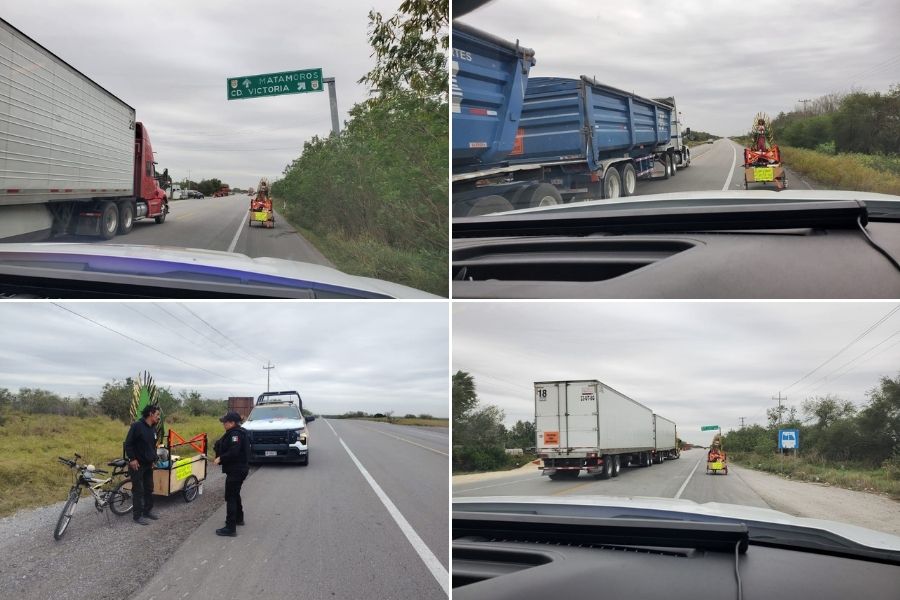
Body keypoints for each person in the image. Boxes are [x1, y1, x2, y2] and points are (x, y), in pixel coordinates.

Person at [213, 411, 250, 537]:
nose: (223, 424)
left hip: (237, 470)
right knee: (235, 493)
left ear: (232, 423)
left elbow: (234, 452)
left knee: (230, 497)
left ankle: (230, 527)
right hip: (239, 469)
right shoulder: (238, 431)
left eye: (225, 422)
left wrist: (221, 458)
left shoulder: (236, 434)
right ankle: (239, 518)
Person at [124, 404, 161, 525]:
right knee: (138, 490)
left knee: (149, 488)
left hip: (148, 464)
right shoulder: (137, 426)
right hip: (137, 464)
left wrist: (154, 459)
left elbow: (152, 446)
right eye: (157, 415)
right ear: (150, 414)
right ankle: (137, 516)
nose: (158, 417)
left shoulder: (153, 428)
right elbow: (128, 444)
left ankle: (147, 511)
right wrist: (132, 459)